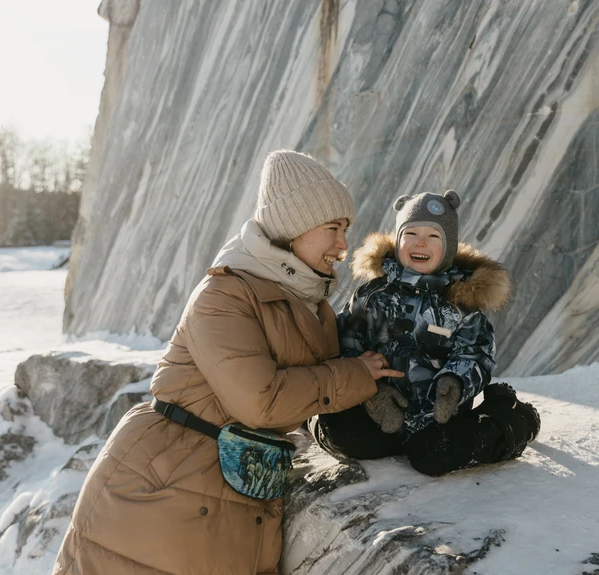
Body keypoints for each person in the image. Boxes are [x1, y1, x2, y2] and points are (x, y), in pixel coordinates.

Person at [52, 150, 401, 575]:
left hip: (236, 483)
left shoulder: (310, 304)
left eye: (345, 229)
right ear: (294, 226)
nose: (343, 245)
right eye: (333, 228)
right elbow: (262, 402)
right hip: (165, 481)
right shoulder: (224, 294)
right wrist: (354, 375)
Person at [311, 190, 541, 477]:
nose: (421, 242)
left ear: (448, 247)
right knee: (346, 434)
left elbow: (476, 353)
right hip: (382, 410)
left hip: (438, 417)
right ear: (397, 241)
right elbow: (346, 341)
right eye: (411, 234)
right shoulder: (374, 294)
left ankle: (511, 417)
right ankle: (311, 421)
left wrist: (454, 383)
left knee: (433, 457)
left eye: (433, 236)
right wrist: (371, 393)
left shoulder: (459, 301)